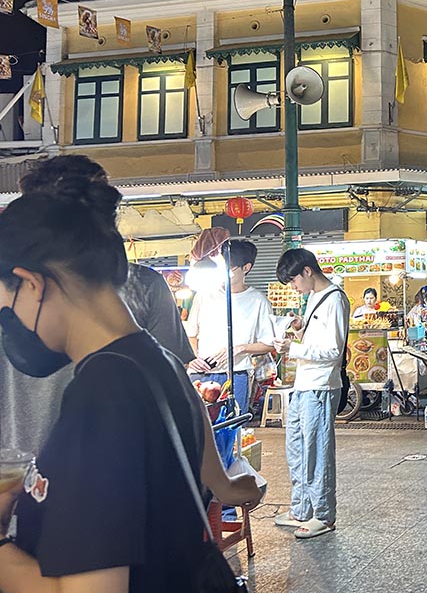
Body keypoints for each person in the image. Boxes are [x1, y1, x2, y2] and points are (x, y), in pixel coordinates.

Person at [0, 163, 260, 593]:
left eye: (6, 306)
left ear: (32, 285)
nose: (9, 324)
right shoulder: (158, 363)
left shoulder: (100, 397)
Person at [1, 155, 195, 454]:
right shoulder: (11, 285)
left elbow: (175, 383)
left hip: (90, 466)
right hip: (23, 472)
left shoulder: (143, 288)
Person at [273, 248, 349, 539]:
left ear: (307, 271)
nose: (294, 287)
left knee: (316, 451)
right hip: (302, 384)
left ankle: (324, 514)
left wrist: (294, 348)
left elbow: (333, 351)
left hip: (320, 386)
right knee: (296, 449)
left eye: (293, 280)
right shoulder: (315, 298)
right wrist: (299, 327)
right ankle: (301, 508)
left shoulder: (335, 299)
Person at [186, 239, 276, 416]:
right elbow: (191, 334)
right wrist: (193, 357)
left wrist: (239, 348)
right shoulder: (204, 295)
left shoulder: (258, 301)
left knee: (232, 427)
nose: (224, 273)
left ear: (246, 268)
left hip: (236, 374)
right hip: (200, 373)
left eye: (230, 268)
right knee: (197, 426)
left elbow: (270, 344)